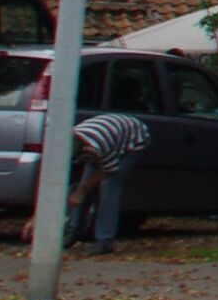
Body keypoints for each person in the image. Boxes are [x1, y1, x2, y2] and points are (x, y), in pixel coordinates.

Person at [22, 108, 152, 255]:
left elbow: (108, 169)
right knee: (81, 186)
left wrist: (82, 190)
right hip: (104, 138)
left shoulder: (98, 147)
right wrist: (36, 217)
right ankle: (74, 233)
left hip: (134, 139)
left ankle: (105, 241)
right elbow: (52, 185)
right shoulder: (62, 145)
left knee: (109, 186)